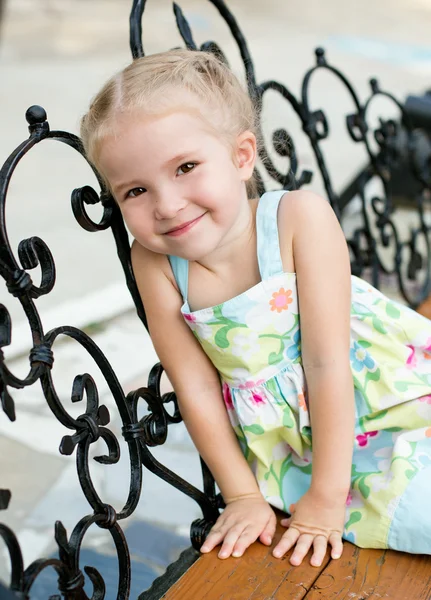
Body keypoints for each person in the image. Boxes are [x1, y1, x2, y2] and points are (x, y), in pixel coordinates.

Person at [80, 49, 431, 567]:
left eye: (186, 167)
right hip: (294, 447)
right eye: (135, 190)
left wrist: (328, 497)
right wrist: (242, 494)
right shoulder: (155, 263)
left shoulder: (297, 220)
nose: (168, 204)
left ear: (243, 156)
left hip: (381, 402)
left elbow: (327, 363)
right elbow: (195, 386)